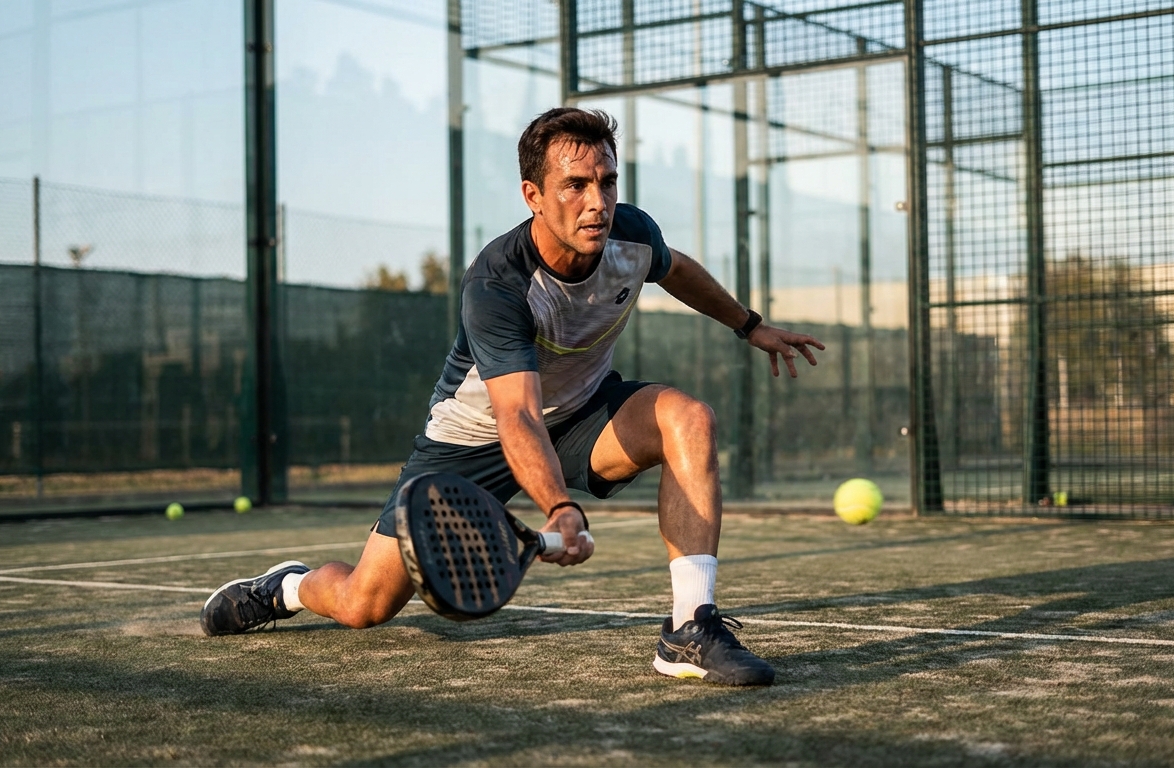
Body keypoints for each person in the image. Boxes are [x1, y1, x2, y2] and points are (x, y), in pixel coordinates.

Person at [201, 107, 824, 686]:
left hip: (580, 416)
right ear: (533, 195)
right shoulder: (497, 283)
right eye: (575, 185)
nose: (597, 202)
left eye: (607, 182)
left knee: (688, 419)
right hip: (470, 441)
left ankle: (689, 629)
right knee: (365, 604)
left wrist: (749, 325)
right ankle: (287, 587)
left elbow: (676, 269)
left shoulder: (631, 235)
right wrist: (559, 508)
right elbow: (517, 416)